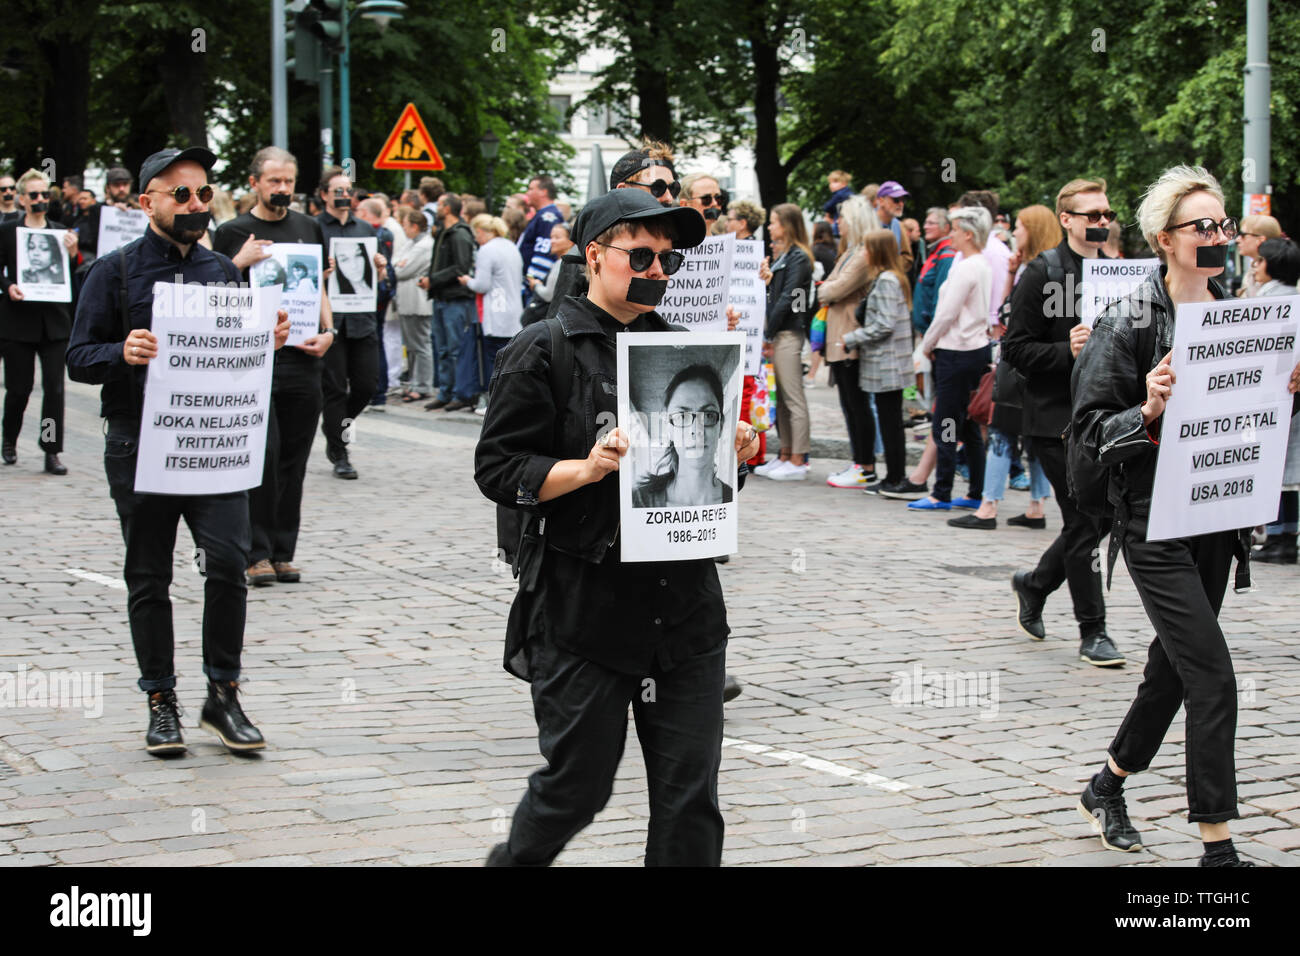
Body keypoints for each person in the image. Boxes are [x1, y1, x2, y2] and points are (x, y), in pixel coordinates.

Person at [475, 187, 759, 866]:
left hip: (683, 609)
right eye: (642, 256)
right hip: (583, 608)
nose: (658, 271)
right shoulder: (544, 349)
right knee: (578, 787)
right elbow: (498, 469)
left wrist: (735, 450)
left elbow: (709, 490)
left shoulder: (683, 353)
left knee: (691, 799)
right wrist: (587, 467)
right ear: (595, 255)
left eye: (669, 261)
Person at [1072, 165, 1300, 866]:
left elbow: (1248, 419)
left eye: (1223, 225)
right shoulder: (1130, 319)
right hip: (1151, 522)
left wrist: (1287, 390)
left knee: (1171, 671)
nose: (1219, 236)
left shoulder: (1239, 308)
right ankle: (1218, 849)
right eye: (1203, 226)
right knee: (1213, 679)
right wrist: (1147, 406)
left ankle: (1106, 784)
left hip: (1217, 516)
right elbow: (1087, 436)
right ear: (1165, 239)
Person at [66, 146, 291, 755]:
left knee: (228, 564)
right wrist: (122, 352)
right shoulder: (111, 273)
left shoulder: (220, 271)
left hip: (214, 446)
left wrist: (263, 339)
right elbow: (78, 357)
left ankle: (223, 693)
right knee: (149, 576)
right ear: (148, 203)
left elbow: (228, 360)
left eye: (202, 193)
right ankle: (160, 700)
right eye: (181, 194)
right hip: (139, 445)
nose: (196, 204)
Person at [1002, 177, 1122, 666]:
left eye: (1106, 214)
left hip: (1109, 415)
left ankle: (1034, 584)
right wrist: (1064, 350)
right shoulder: (1042, 272)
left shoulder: (1121, 273)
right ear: (1067, 219)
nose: (1101, 223)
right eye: (1091, 215)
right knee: (1083, 518)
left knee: (1102, 517)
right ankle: (1093, 630)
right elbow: (1014, 348)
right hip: (1054, 419)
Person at [213, 145, 336, 587]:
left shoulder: (309, 227)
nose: (282, 189)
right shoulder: (232, 231)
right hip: (253, 362)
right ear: (254, 184)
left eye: (288, 181)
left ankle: (284, 551)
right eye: (273, 181)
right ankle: (256, 552)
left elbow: (320, 287)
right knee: (261, 456)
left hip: (303, 360)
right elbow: (213, 294)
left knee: (293, 459)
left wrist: (329, 330)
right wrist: (236, 264)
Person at [949, 204, 1058, 530]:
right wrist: (1011, 272)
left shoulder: (1036, 271)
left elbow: (1007, 316)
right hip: (1041, 366)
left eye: (1020, 227)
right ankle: (1037, 506)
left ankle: (988, 506)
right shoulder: (1045, 268)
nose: (1014, 232)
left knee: (1001, 433)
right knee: (1034, 438)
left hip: (1019, 364)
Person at [910, 205, 992, 511]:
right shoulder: (979, 264)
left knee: (945, 420)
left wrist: (927, 344)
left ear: (968, 234)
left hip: (957, 350)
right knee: (968, 422)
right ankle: (975, 490)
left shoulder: (968, 266)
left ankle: (941, 491)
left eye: (956, 230)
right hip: (974, 348)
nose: (952, 234)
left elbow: (946, 313)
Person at [0, 168, 79, 474]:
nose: (40, 199)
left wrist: (71, 256)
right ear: (21, 199)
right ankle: (9, 438)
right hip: (17, 322)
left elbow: (69, 280)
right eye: (33, 195)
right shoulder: (9, 231)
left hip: (54, 323)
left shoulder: (60, 231)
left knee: (55, 390)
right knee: (19, 389)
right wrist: (8, 286)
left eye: (44, 194)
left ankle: (51, 450)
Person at [316, 165, 385, 479]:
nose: (345, 196)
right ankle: (340, 450)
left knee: (366, 385)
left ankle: (334, 424)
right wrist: (324, 274)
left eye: (349, 190)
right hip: (330, 319)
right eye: (338, 191)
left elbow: (378, 276)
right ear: (324, 195)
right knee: (333, 388)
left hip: (362, 318)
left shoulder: (365, 230)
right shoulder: (315, 227)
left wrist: (380, 269)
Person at [840, 228, 914, 493]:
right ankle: (894, 475)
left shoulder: (886, 281)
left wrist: (852, 338)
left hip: (887, 363)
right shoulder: (893, 278)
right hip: (890, 363)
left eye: (867, 248)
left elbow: (884, 325)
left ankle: (895, 477)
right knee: (890, 421)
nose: (864, 253)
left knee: (890, 422)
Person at [818, 196, 879, 487]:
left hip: (850, 338)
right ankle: (859, 461)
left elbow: (832, 289)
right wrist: (827, 288)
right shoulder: (850, 252)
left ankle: (866, 465)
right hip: (838, 337)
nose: (837, 222)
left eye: (841, 217)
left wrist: (827, 288)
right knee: (848, 403)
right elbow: (826, 286)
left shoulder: (865, 253)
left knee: (857, 403)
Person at [754, 203, 813, 480]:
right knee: (784, 399)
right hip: (779, 332)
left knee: (793, 397)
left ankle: (799, 458)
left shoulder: (799, 257)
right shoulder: (785, 256)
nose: (769, 226)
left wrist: (768, 333)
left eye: (774, 222)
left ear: (787, 225)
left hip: (788, 332)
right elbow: (775, 296)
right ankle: (786, 453)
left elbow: (788, 298)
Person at [1250, 237, 1300, 563]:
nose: (1255, 266)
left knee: (1274, 471)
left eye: (1259, 261)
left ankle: (1278, 537)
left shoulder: (1268, 303)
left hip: (1273, 398)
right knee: (1289, 474)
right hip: (1293, 401)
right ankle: (1286, 536)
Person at [633, 364, 735, 507]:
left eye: (708, 415)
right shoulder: (640, 500)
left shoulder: (732, 498)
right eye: (682, 416)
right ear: (669, 427)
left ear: (721, 425)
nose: (696, 429)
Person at [458, 214, 524, 407]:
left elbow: (482, 285)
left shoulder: (486, 250)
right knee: (510, 359)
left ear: (481, 232)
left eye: (475, 234)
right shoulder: (511, 246)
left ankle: (492, 403)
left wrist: (466, 281)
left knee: (492, 360)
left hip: (495, 311)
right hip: (513, 309)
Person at [420, 193, 476, 410]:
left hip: (455, 298)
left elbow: (461, 267)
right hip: (442, 297)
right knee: (442, 347)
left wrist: (433, 280)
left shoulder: (459, 234)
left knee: (454, 348)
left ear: (448, 208)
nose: (437, 208)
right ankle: (445, 391)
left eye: (441, 204)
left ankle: (457, 393)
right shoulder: (444, 232)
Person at [392, 207, 434, 402]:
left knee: (420, 344)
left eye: (406, 225)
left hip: (418, 302)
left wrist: (399, 265)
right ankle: (416, 382)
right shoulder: (411, 243)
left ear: (415, 226)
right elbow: (396, 262)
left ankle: (423, 384)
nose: (404, 229)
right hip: (408, 300)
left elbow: (402, 270)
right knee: (412, 345)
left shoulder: (424, 245)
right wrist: (399, 264)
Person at [517, 175, 562, 302]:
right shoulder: (542, 215)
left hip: (534, 286)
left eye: (531, 189)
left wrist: (532, 281)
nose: (527, 193)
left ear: (543, 192)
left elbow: (546, 252)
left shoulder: (548, 217)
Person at [1234, 213, 1282, 297]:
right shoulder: (1253, 271)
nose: (1237, 239)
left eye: (1243, 235)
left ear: (1261, 240)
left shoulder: (1281, 273)